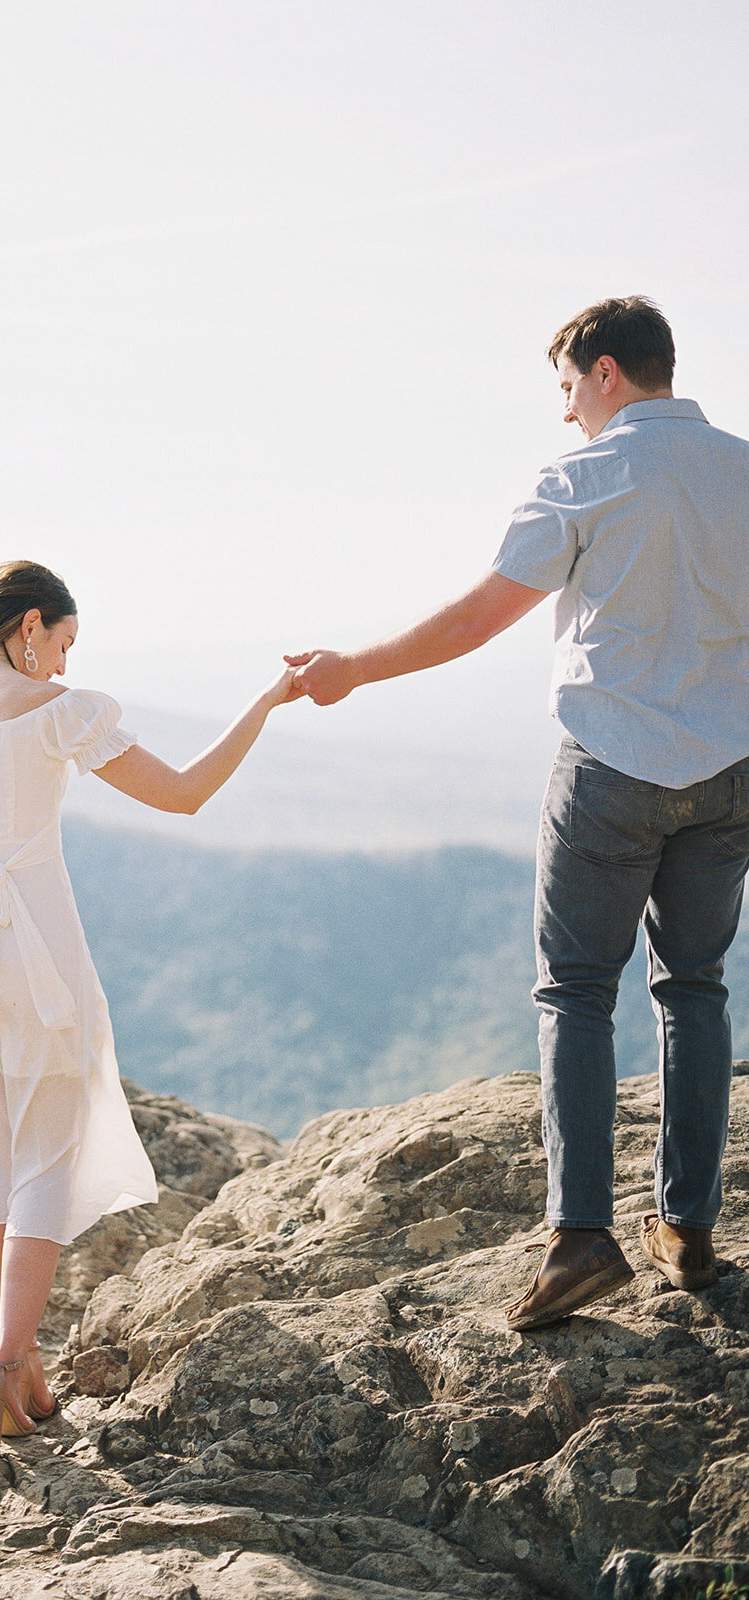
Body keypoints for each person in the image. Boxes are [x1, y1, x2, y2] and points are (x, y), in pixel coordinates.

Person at [288, 296, 749, 1331]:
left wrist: (354, 669)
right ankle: (687, 1228)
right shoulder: (743, 467)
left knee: (578, 990)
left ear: (607, 374)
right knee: (697, 985)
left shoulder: (584, 475)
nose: (567, 413)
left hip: (613, 768)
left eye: (567, 389)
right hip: (732, 771)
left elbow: (479, 614)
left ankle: (582, 1238)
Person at [0, 559, 302, 1445]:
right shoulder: (58, 712)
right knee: (44, 1162)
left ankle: (19, 1368)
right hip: (32, 950)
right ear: (28, 625)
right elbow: (183, 793)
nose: (64, 666)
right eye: (62, 643)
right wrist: (263, 704)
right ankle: (4, 1362)